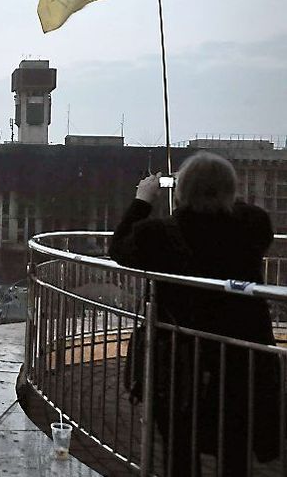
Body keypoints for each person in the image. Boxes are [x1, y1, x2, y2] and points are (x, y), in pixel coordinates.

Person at [110, 152, 281, 475]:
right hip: (242, 361)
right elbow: (245, 212)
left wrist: (143, 200)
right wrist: (219, 191)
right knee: (236, 448)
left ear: (181, 190)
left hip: (182, 362)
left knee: (179, 447)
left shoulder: (158, 234)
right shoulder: (253, 226)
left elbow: (119, 248)